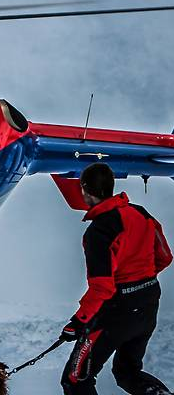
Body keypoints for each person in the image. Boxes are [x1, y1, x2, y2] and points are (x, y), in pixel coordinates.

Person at [59, 162, 172, 395]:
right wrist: (141, 281)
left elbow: (102, 287)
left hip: (117, 309)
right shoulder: (141, 213)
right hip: (148, 301)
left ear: (84, 190)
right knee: (128, 372)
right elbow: (165, 256)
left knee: (75, 379)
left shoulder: (99, 231)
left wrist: (78, 322)